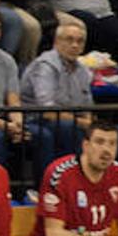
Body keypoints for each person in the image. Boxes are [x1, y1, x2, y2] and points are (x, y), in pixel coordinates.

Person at [18, 15, 92, 171]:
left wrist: (90, 124)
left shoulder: (83, 71)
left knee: (112, 132)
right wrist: (84, 123)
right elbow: (47, 112)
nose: (74, 45)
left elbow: (87, 109)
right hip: (34, 120)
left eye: (79, 41)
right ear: (57, 42)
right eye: (69, 40)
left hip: (67, 120)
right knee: (68, 128)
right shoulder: (45, 66)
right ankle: (63, 182)